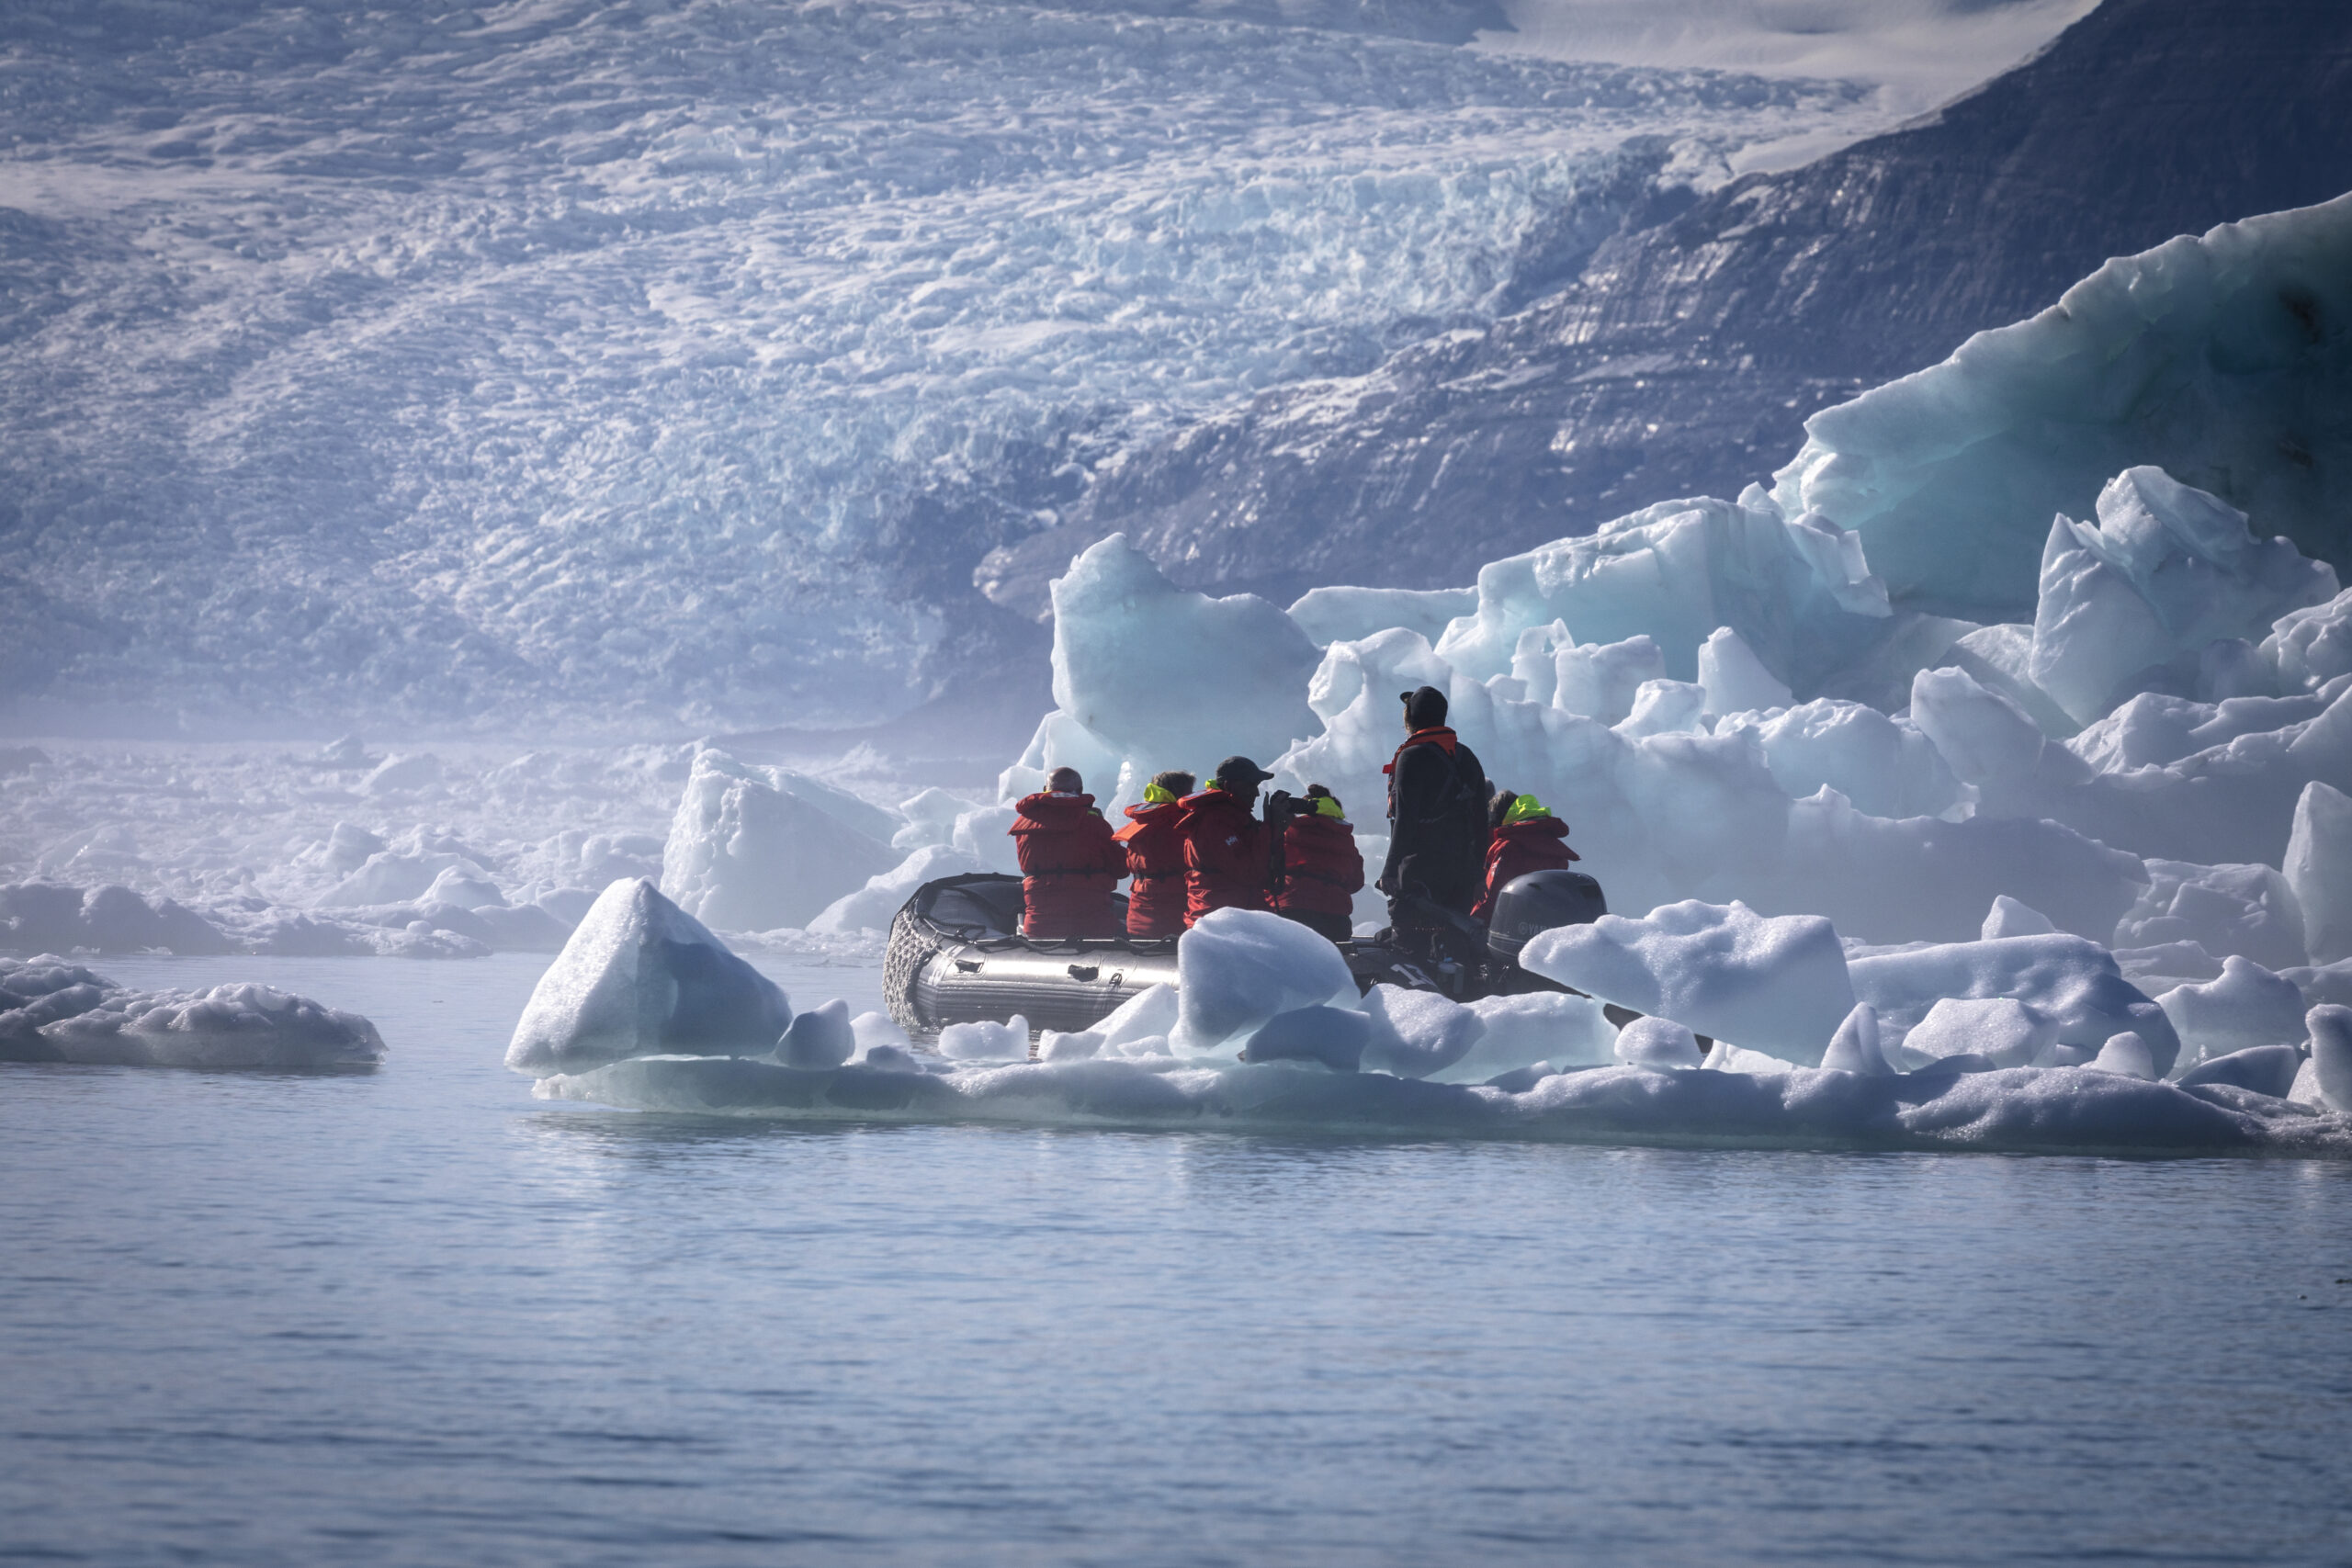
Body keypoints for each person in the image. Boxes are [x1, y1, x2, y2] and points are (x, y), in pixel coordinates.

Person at [1378, 685, 1491, 938]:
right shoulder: (1466, 757)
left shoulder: (1411, 757)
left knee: (1411, 940)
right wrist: (1477, 874)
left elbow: (1406, 819)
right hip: (1461, 871)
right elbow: (1481, 823)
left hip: (1421, 869)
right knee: (1453, 940)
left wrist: (1390, 869)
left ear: (1412, 717)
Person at [1007, 766, 1125, 939]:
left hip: (1040, 927)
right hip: (1093, 925)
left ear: (1045, 789)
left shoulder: (1024, 826)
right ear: (1080, 791)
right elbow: (1121, 869)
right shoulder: (1095, 823)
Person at [1179, 755, 1272, 925]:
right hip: (1223, 923)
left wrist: (1273, 828)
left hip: (1232, 917)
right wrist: (1270, 828)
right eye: (1250, 785)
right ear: (1229, 786)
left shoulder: (1231, 816)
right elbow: (1249, 873)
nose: (1256, 793)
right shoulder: (1215, 822)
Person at [1269, 783, 1363, 942]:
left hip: (1292, 909)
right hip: (1336, 919)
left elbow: (1267, 868)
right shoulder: (1347, 842)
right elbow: (1356, 883)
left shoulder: (1289, 832)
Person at [1470, 791, 1579, 922]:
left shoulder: (1508, 848)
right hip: (1547, 926)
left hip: (1509, 925)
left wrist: (1474, 922)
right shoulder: (1556, 851)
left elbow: (1493, 896)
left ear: (1498, 818)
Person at [1113, 769, 1195, 939]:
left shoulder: (1141, 824)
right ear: (1182, 795)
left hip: (1137, 922)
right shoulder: (1182, 826)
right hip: (1174, 924)